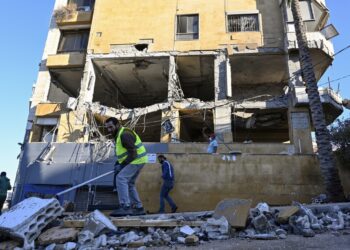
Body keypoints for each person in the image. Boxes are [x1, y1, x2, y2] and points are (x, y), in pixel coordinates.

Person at [105, 117, 148, 217]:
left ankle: (125, 207)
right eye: (107, 128)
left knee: (121, 178)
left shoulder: (125, 134)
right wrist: (118, 163)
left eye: (111, 127)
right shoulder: (119, 134)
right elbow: (124, 153)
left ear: (117, 125)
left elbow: (133, 153)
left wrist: (122, 165)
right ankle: (139, 208)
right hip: (139, 160)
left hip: (136, 160)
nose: (109, 130)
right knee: (130, 184)